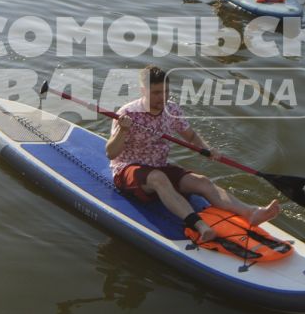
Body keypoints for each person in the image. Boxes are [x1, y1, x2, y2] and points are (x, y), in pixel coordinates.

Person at [107, 65, 278, 244]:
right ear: (143, 91)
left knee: (202, 182)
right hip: (127, 170)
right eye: (156, 92)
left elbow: (191, 136)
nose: (162, 97)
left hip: (158, 166)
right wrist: (123, 130)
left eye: (166, 91)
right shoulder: (127, 113)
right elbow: (111, 153)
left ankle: (251, 213)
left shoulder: (171, 110)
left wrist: (206, 148)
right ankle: (200, 226)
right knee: (158, 178)